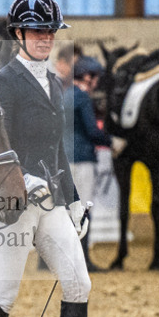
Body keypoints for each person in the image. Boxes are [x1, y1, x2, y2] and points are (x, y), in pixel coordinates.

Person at [0, 0, 118, 317]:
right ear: (18, 34)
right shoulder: (1, 82)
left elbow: (57, 149)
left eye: (50, 31)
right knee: (3, 293)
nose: (45, 38)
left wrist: (73, 201)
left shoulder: (55, 83)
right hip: (13, 202)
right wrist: (24, 178)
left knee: (78, 283)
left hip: (51, 202)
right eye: (37, 31)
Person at [62, 56, 112, 272]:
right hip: (82, 159)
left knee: (64, 211)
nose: (97, 83)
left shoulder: (63, 94)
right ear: (88, 77)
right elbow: (92, 130)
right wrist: (111, 142)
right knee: (82, 211)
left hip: (64, 159)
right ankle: (83, 261)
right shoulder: (82, 97)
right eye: (96, 78)